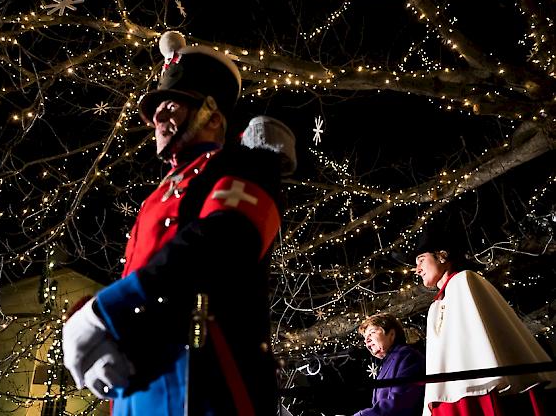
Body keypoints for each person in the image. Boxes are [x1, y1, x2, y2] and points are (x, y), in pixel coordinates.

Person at [62, 30, 296, 416]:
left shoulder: (247, 164)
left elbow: (221, 244)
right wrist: (117, 337)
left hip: (207, 382)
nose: (157, 116)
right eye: (156, 109)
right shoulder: (158, 192)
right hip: (143, 380)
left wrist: (107, 310)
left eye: (173, 105)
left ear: (213, 114)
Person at [408, 223, 556, 415]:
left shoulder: (464, 281)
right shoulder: (435, 306)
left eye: (421, 260)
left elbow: (485, 340)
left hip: (477, 389)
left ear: (442, 255)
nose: (417, 269)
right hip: (448, 396)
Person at [353, 313, 425, 416]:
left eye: (372, 332)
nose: (366, 340)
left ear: (391, 334)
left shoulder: (407, 356)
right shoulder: (384, 366)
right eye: (365, 337)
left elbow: (400, 403)